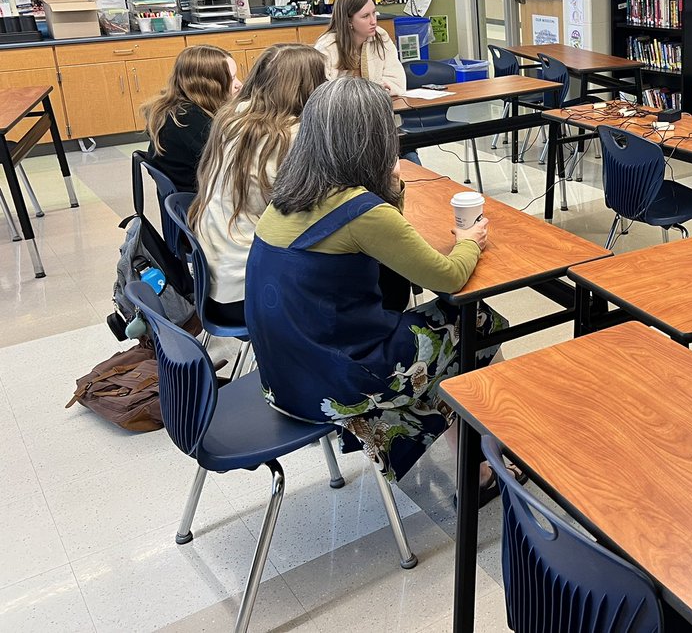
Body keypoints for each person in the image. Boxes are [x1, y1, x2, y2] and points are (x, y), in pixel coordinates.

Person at [245, 77, 509, 497]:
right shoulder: (362, 211)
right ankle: (476, 470)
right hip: (336, 381)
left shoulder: (288, 195)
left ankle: (457, 445)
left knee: (436, 336)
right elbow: (448, 276)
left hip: (283, 373)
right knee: (478, 321)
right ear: (374, 140)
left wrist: (388, 188)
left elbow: (386, 240)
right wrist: (468, 242)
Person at [189, 43, 326, 326]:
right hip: (256, 293)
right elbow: (321, 209)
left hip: (216, 284)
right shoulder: (291, 135)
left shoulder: (232, 116)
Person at [142, 45, 241, 192]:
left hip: (185, 200)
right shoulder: (191, 122)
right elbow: (234, 168)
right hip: (200, 203)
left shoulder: (173, 109)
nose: (239, 84)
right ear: (209, 85)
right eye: (231, 79)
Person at [314, 0, 406, 97]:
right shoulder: (327, 47)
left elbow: (397, 82)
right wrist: (371, 90)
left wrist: (379, 89)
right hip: (340, 112)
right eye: (365, 16)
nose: (374, 21)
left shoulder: (381, 37)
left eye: (374, 13)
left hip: (377, 107)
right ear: (348, 21)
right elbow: (321, 94)